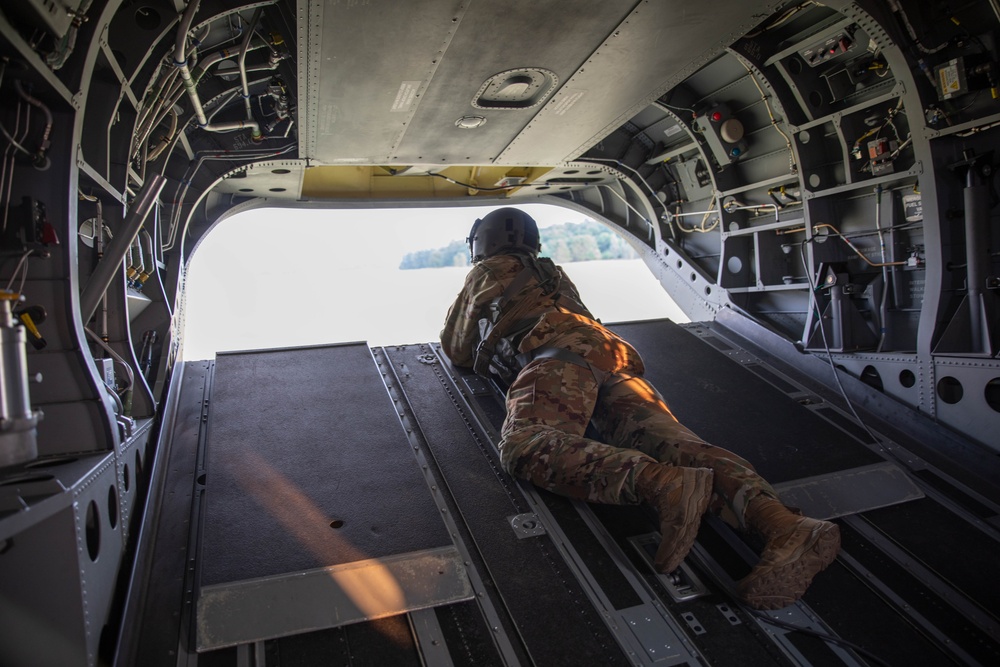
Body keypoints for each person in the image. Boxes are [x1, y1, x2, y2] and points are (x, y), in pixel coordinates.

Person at [440, 207, 841, 610]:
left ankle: (662, 485)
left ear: (482, 243)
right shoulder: (553, 273)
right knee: (676, 444)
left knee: (526, 444)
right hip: (609, 355)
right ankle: (783, 525)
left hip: (558, 359)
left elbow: (456, 348)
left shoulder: (486, 271)